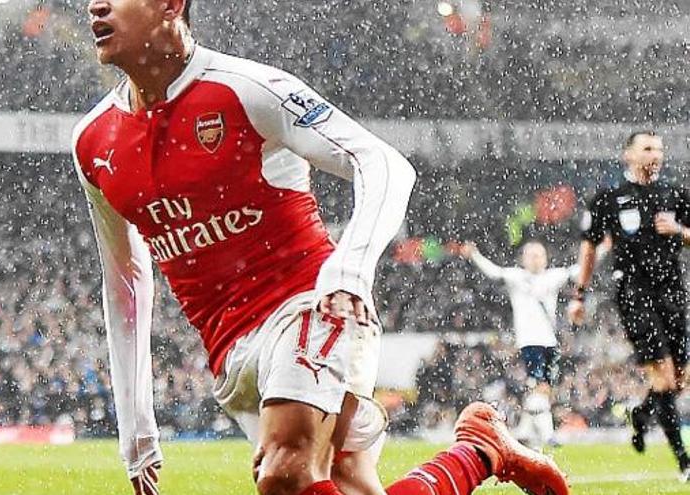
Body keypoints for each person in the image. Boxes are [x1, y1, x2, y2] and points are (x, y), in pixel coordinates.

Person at [72, 1, 568, 494]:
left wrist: (350, 269)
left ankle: (480, 450)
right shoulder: (93, 141)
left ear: (170, 5)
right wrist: (136, 422)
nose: (95, 5)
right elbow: (126, 285)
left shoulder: (245, 89)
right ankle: (479, 451)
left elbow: (384, 164)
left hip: (311, 303)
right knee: (346, 484)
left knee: (286, 473)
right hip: (229, 349)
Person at [568, 130, 690, 481]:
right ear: (629, 156)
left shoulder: (674, 195)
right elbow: (589, 248)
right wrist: (579, 294)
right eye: (648, 148)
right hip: (634, 292)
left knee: (678, 380)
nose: (657, 155)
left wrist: (680, 231)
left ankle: (640, 415)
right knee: (664, 378)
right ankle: (684, 460)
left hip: (671, 291)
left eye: (660, 149)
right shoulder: (609, 199)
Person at [460, 240, 608, 450]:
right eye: (531, 255)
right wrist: (474, 255)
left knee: (543, 389)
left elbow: (581, 269)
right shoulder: (516, 276)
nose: (535, 258)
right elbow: (494, 272)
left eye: (539, 254)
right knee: (539, 386)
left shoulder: (553, 276)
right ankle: (547, 435)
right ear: (523, 258)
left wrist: (602, 249)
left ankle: (525, 430)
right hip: (529, 341)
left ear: (546, 258)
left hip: (550, 341)